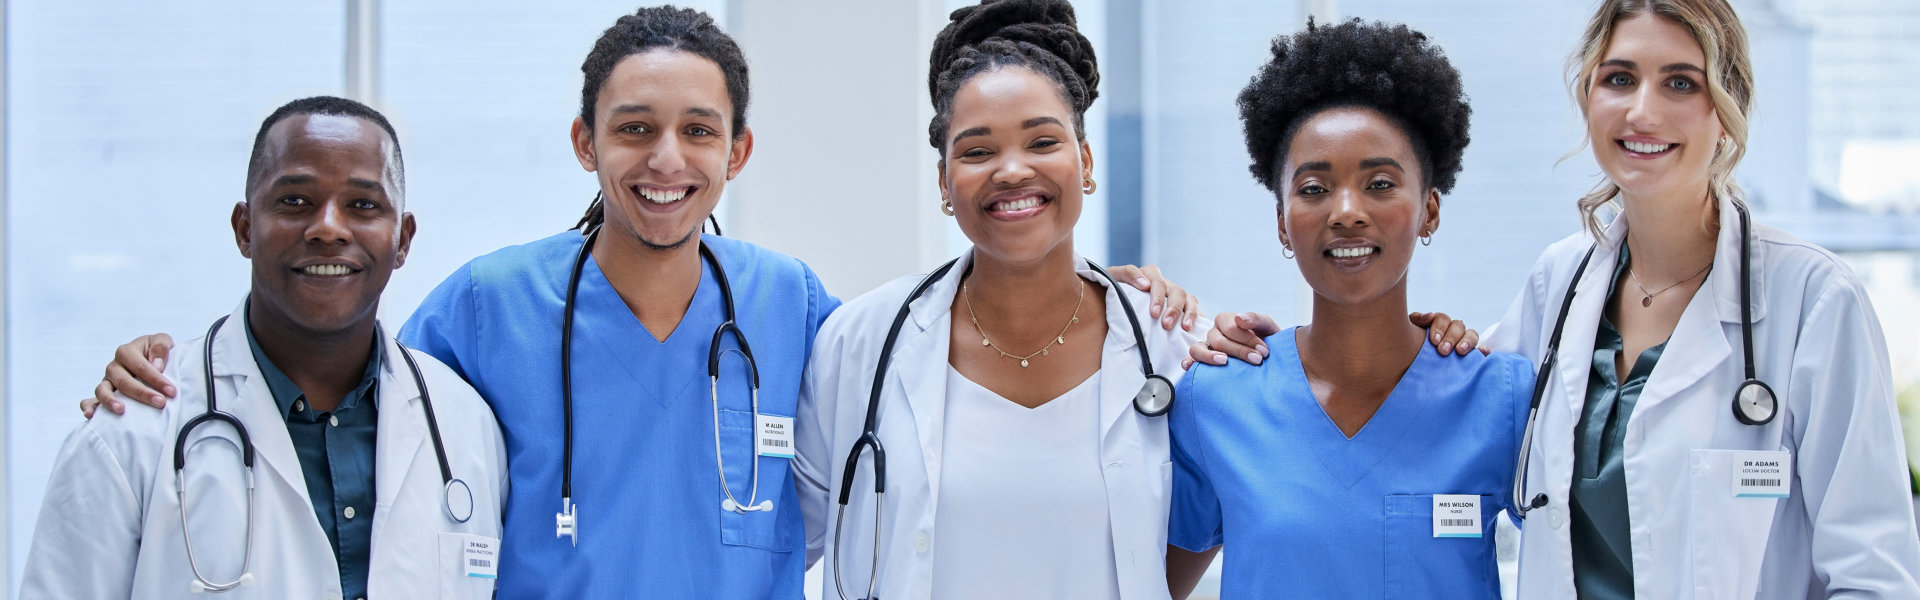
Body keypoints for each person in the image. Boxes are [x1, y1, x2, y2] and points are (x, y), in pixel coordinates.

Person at [76, 6, 1200, 597]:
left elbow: (911, 406)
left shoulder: (800, 307)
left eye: (698, 131)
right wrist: (174, 365)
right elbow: (339, 397)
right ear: (585, 143)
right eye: (634, 129)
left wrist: (1130, 292)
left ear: (739, 150)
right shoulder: (486, 304)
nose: (666, 160)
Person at [1199, 0, 1920, 596]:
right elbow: (1438, 394)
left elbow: (1872, 571)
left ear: (1726, 109)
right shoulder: (1560, 283)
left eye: (1680, 83)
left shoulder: (1811, 302)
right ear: (1588, 98)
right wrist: (1200, 325)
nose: (1643, 110)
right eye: (1619, 78)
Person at [794, 3, 1479, 599]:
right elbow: (782, 542)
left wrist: (1437, 339)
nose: (1012, 170)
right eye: (976, 151)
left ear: (1086, 164)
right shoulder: (860, 343)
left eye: (1042, 141)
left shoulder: (1179, 347)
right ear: (944, 181)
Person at [21, 96, 507, 599]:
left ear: (401, 239)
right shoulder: (133, 432)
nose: (328, 228)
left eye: (363, 205)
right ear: (245, 228)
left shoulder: (465, 427)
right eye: (294, 201)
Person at [1159, 19, 1531, 599]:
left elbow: (1582, 559)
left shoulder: (1501, 398)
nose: (1347, 211)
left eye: (1380, 183)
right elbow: (1142, 586)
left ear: (1429, 210)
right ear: (1282, 223)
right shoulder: (1217, 399)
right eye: (1313, 189)